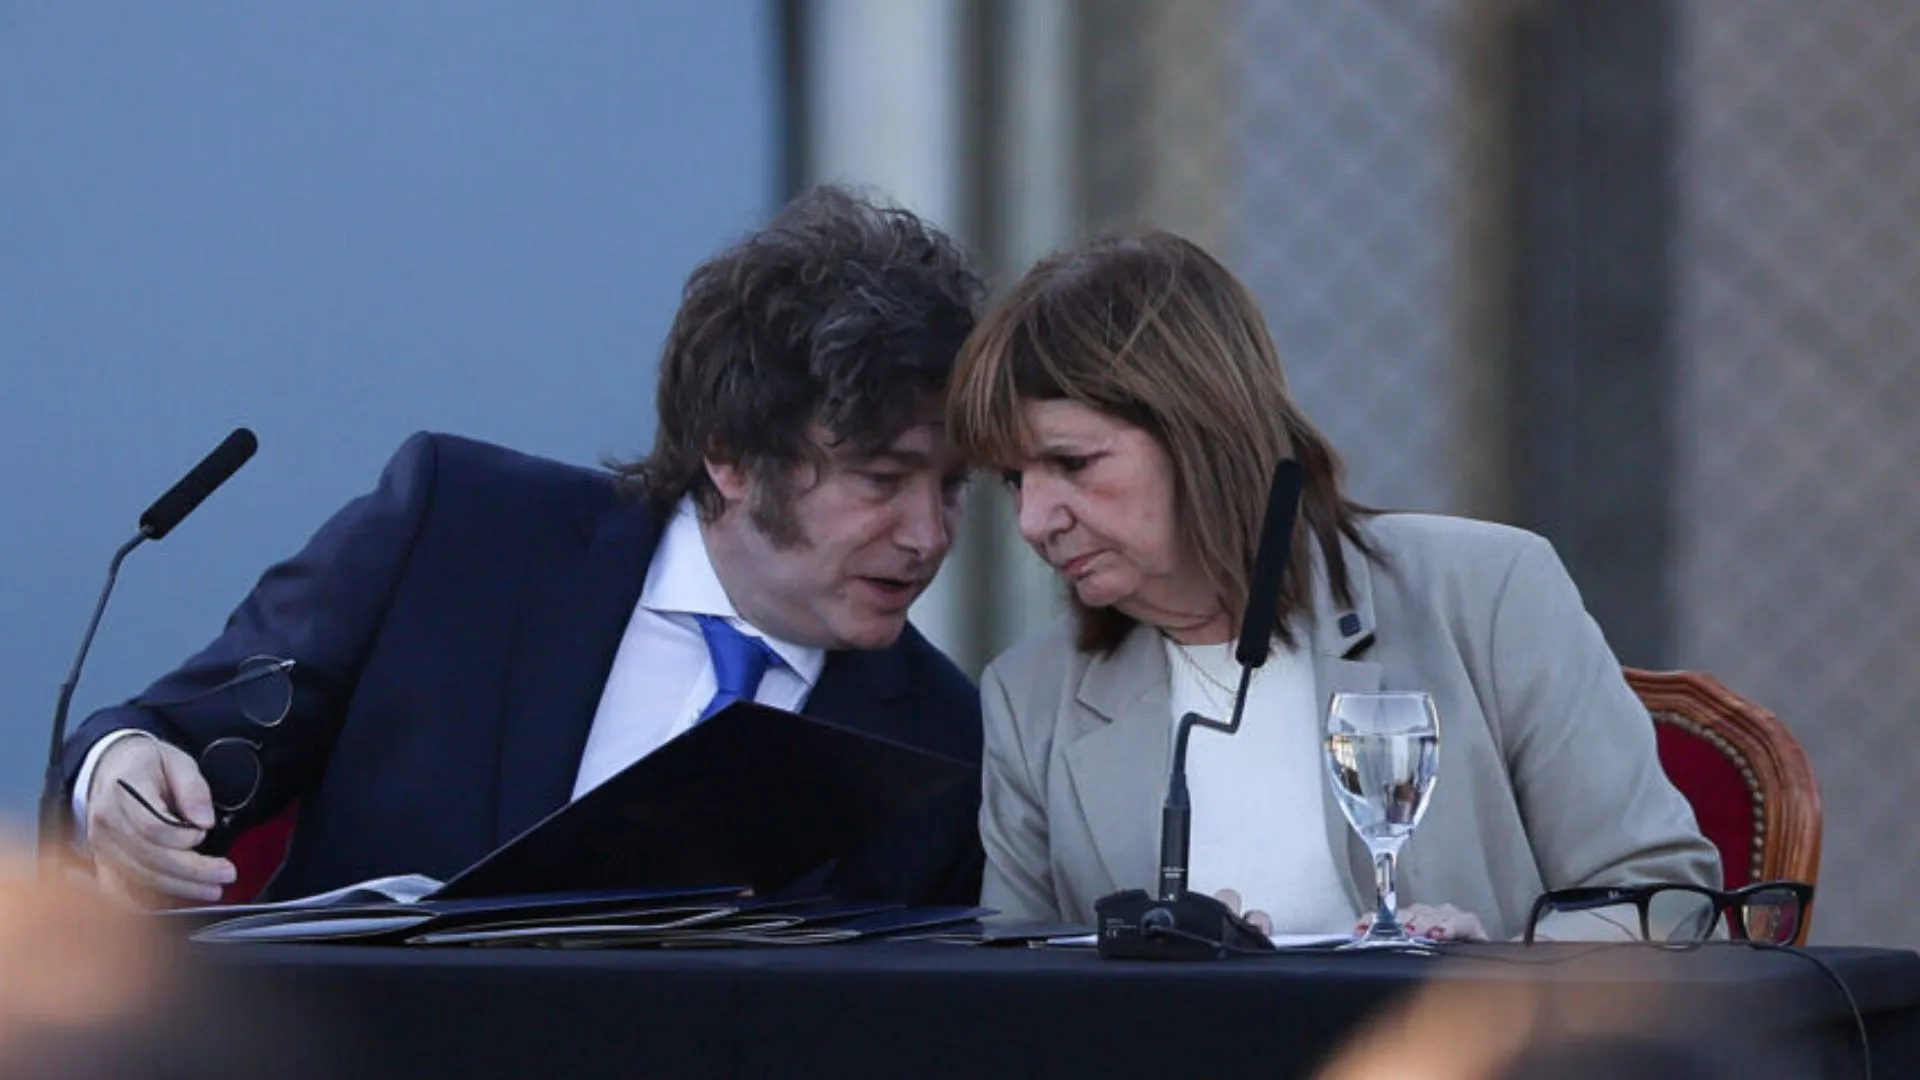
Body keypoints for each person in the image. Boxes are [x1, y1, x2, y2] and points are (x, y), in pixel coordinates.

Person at [64, 184, 988, 909]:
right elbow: (164, 737)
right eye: (881, 479)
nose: (929, 536)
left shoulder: (947, 744)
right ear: (734, 455)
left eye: (952, 487)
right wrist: (119, 781)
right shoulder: (455, 535)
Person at [945, 229, 1719, 941]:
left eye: (1072, 463)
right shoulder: (1030, 699)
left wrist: (1493, 976)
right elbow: (1012, 989)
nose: (1034, 521)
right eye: (1014, 480)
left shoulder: (1485, 596)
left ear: (1200, 430)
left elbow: (1670, 904)